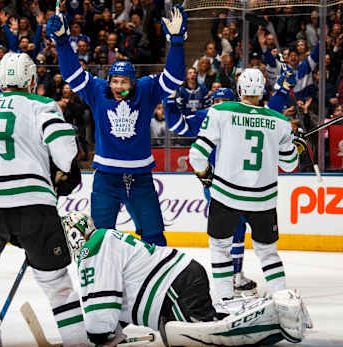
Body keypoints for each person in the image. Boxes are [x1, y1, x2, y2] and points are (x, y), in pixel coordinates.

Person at [0, 52, 87, 347]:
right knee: (57, 285)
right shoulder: (42, 104)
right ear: (31, 79)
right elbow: (66, 154)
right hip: (33, 205)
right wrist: (62, 172)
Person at [46, 5, 188, 246]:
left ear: (133, 83)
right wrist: (62, 42)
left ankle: (150, 279)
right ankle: (102, 282)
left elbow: (174, 77)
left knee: (154, 236)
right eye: (115, 81)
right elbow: (72, 74)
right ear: (108, 81)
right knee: (100, 239)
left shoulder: (146, 89)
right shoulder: (98, 91)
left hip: (141, 177)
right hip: (106, 178)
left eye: (124, 82)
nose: (119, 86)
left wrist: (176, 43)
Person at [61, 211, 311, 347]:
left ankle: (276, 316)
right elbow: (116, 302)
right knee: (188, 333)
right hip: (178, 281)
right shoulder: (105, 239)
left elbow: (101, 305)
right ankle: (263, 309)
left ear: (73, 235)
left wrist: (96, 336)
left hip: (173, 288)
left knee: (203, 337)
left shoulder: (91, 249)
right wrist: (110, 332)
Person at [165, 70, 297, 296]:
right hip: (263, 199)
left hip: (226, 193)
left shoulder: (218, 113)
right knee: (268, 252)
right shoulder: (280, 120)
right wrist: (298, 145)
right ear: (263, 89)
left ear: (239, 90)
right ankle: (283, 299)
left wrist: (207, 177)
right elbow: (290, 163)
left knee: (220, 247)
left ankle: (224, 298)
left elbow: (196, 155)